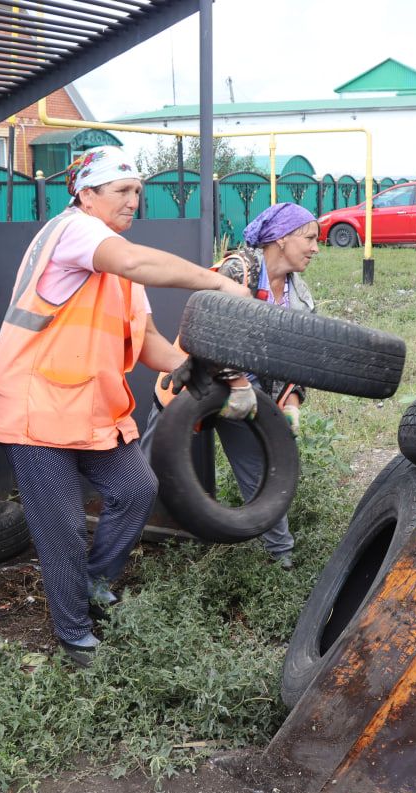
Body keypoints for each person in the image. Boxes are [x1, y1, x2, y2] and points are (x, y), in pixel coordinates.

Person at [0, 146, 252, 667]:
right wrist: (218, 280)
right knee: (59, 523)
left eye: (137, 193)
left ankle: (90, 582)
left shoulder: (114, 260)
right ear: (87, 195)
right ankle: (75, 637)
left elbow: (147, 339)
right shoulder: (74, 231)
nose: (134, 202)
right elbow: (133, 260)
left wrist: (195, 369)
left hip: (82, 402)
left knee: (136, 488)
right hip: (34, 400)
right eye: (123, 191)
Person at [142, 202, 320, 568]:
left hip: (249, 398)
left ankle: (282, 560)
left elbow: (301, 360)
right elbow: (210, 334)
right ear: (282, 238)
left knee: (262, 476)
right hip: (193, 384)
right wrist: (236, 382)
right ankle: (124, 546)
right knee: (144, 473)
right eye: (310, 238)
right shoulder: (237, 270)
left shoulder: (299, 296)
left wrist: (290, 403)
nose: (316, 247)